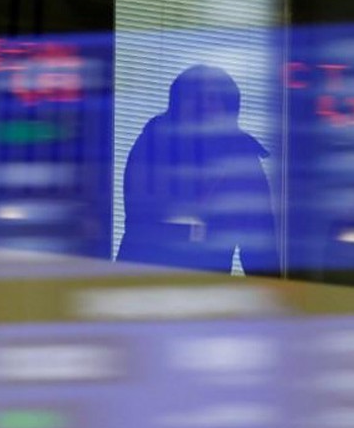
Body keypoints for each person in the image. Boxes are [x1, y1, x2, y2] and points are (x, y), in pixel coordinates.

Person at [116, 65, 280, 276]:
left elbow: (259, 245)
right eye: (193, 97)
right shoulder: (153, 144)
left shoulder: (243, 157)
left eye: (213, 98)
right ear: (177, 105)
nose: (203, 106)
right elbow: (147, 219)